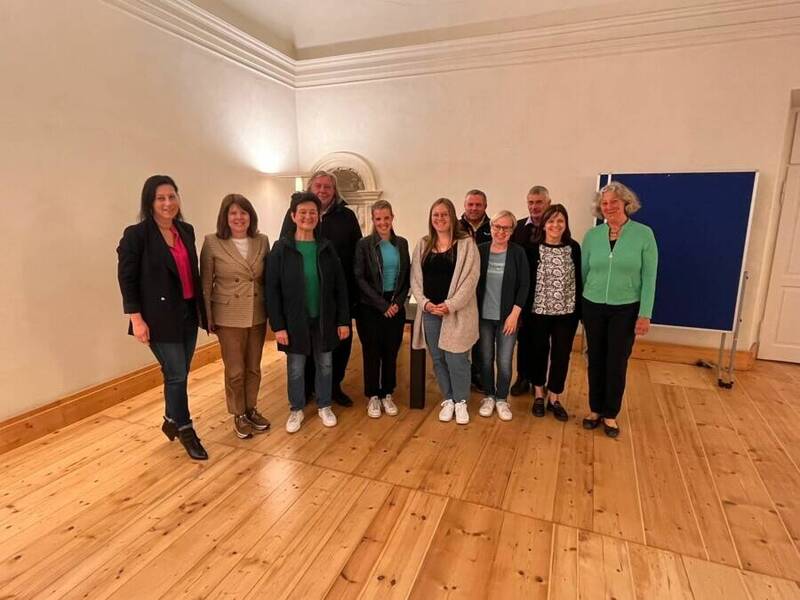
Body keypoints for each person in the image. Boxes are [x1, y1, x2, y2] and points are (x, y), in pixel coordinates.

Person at [117, 175, 208, 460]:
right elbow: (127, 279)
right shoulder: (137, 235)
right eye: (161, 198)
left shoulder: (186, 230)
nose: (168, 203)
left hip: (188, 312)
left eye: (172, 196)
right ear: (150, 202)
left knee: (178, 373)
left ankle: (170, 418)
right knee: (177, 374)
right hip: (158, 317)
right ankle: (185, 428)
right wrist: (136, 319)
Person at [266, 191, 350, 433]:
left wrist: (343, 320)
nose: (308, 216)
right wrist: (278, 326)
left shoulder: (326, 248)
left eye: (313, 212)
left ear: (319, 216)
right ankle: (296, 409)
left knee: (325, 365)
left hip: (324, 319)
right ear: (293, 216)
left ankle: (324, 405)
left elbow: (340, 287)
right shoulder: (281, 249)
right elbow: (272, 290)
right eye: (302, 212)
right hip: (294, 322)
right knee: (295, 368)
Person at [581, 182, 658, 438]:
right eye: (604, 203)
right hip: (593, 305)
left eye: (614, 201)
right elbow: (584, 272)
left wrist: (645, 313)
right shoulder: (592, 236)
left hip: (625, 309)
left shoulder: (644, 234)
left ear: (626, 203)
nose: (609, 206)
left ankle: (610, 413)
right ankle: (595, 409)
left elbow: (649, 277)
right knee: (595, 359)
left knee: (616, 361)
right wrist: (583, 304)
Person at [279, 171, 362, 407]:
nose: (323, 190)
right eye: (318, 186)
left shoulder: (347, 216)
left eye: (328, 186)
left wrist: (353, 292)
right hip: (306, 293)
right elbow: (285, 248)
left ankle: (333, 387)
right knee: (305, 343)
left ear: (334, 191)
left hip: (338, 292)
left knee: (340, 343)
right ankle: (307, 388)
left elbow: (357, 252)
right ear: (310, 188)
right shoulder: (294, 214)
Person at [200, 194, 271, 440]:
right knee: (235, 370)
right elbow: (205, 284)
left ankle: (251, 408)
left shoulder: (262, 241)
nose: (239, 217)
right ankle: (238, 413)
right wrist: (208, 318)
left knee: (254, 367)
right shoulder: (212, 242)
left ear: (250, 216)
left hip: (257, 312)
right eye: (233, 213)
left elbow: (267, 279)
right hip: (227, 315)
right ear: (225, 217)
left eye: (243, 212)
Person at [411, 198, 480, 425]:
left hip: (456, 313)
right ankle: (448, 398)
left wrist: (451, 305)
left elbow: (471, 280)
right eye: (435, 215)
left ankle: (461, 401)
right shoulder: (423, 244)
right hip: (430, 312)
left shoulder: (466, 244)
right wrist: (424, 303)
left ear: (452, 217)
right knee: (438, 358)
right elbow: (415, 279)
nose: (439, 218)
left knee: (457, 358)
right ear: (430, 219)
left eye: (444, 214)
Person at [353, 200, 410, 418]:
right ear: (373, 220)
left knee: (391, 351)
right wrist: (382, 305)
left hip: (395, 305)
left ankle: (387, 393)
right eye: (378, 219)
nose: (383, 222)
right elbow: (359, 278)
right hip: (370, 306)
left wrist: (397, 303)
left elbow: (407, 277)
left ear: (392, 218)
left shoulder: (402, 243)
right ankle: (373, 396)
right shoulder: (364, 244)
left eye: (386, 218)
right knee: (372, 352)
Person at [528, 204, 582, 421]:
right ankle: (538, 394)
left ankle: (554, 397)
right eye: (551, 221)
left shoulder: (574, 247)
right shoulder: (533, 248)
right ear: (543, 224)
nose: (555, 225)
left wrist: (580, 312)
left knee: (561, 354)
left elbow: (579, 279)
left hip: (567, 314)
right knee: (538, 352)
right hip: (538, 312)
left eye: (560, 221)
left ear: (566, 224)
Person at [476, 210, 529, 421]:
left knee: (505, 361)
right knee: (485, 359)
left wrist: (515, 314)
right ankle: (489, 396)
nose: (501, 231)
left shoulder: (518, 253)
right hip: (483, 317)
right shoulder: (480, 251)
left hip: (508, 318)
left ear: (512, 230)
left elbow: (524, 285)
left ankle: (501, 398)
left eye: (506, 228)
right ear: (491, 228)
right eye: (497, 226)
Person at [510, 185, 552, 396]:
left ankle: (539, 380)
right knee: (524, 338)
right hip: (523, 295)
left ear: (548, 203)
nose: (534, 207)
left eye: (539, 202)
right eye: (531, 202)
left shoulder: (554, 227)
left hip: (546, 295)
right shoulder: (517, 228)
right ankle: (522, 377)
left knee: (541, 341)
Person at [459, 189, 492, 391]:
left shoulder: (493, 227)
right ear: (464, 206)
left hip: (486, 290)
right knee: (461, 333)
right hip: (461, 290)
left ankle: (479, 375)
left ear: (485, 206)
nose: (474, 208)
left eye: (478, 205)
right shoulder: (455, 227)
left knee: (481, 336)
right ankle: (461, 374)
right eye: (470, 204)